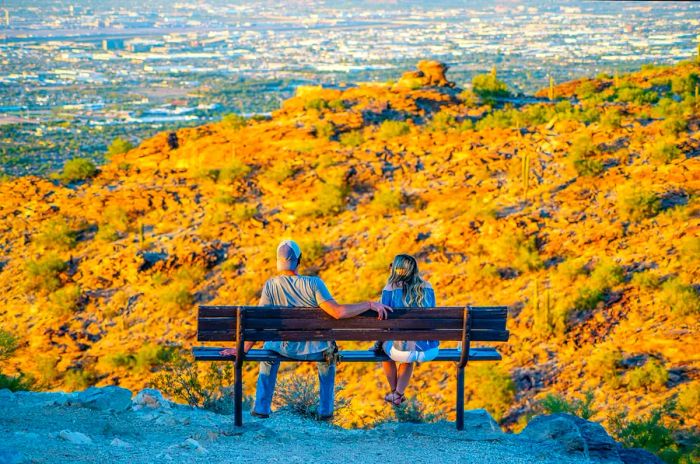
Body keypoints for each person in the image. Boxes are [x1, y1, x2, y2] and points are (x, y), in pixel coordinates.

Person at [220, 239, 392, 419]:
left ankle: (261, 409)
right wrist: (370, 304)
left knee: (268, 353)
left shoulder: (271, 285)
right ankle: (325, 412)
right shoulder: (314, 284)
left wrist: (242, 349)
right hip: (316, 350)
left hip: (282, 349)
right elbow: (338, 312)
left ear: (278, 261)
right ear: (299, 260)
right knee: (328, 357)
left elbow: (260, 323)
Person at [379, 254, 438, 406]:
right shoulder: (428, 286)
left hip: (402, 350)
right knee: (409, 350)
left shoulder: (390, 288)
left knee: (383, 349)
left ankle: (395, 393)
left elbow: (383, 318)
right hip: (429, 349)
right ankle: (398, 394)